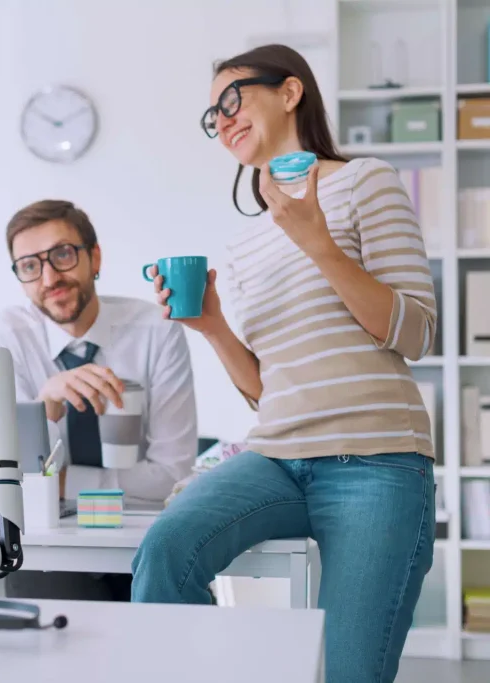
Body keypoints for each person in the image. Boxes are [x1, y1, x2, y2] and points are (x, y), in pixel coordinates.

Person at [134, 44, 437, 683]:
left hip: (376, 461)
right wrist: (211, 325)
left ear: (291, 91)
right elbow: (265, 390)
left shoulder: (365, 180)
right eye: (212, 114)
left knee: (351, 672)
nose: (222, 120)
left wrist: (320, 245)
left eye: (232, 100)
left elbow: (416, 333)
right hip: (275, 458)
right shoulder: (247, 239)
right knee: (165, 550)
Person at [0, 199, 198, 601]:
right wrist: (44, 408)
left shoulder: (157, 330)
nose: (49, 277)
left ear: (94, 257)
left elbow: (171, 475)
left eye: (62, 255)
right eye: (30, 266)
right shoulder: (9, 334)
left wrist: (63, 482)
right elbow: (15, 480)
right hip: (50, 538)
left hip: (144, 533)